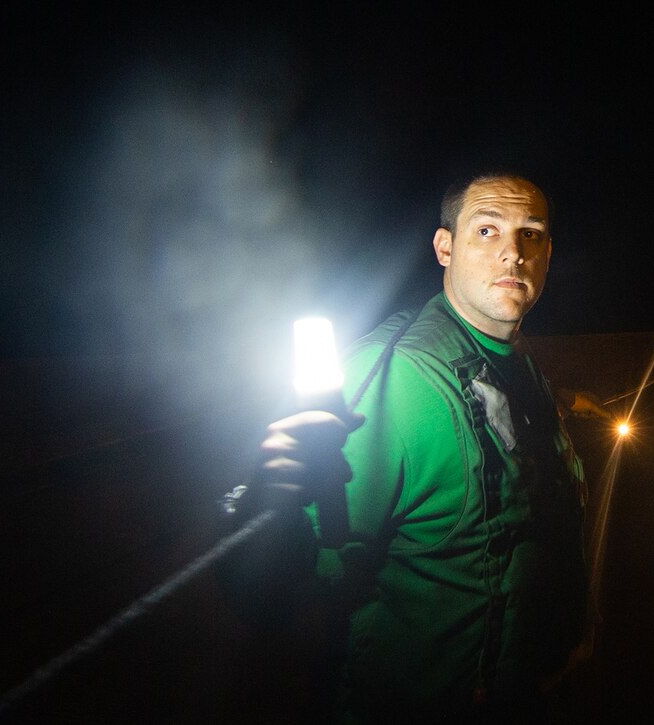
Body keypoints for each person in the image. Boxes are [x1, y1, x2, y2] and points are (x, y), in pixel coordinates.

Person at [233, 172, 606, 723]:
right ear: (444, 247)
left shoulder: (514, 355)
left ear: (548, 252)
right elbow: (285, 581)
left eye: (531, 235)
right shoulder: (396, 376)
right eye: (486, 230)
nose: (512, 253)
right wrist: (260, 506)